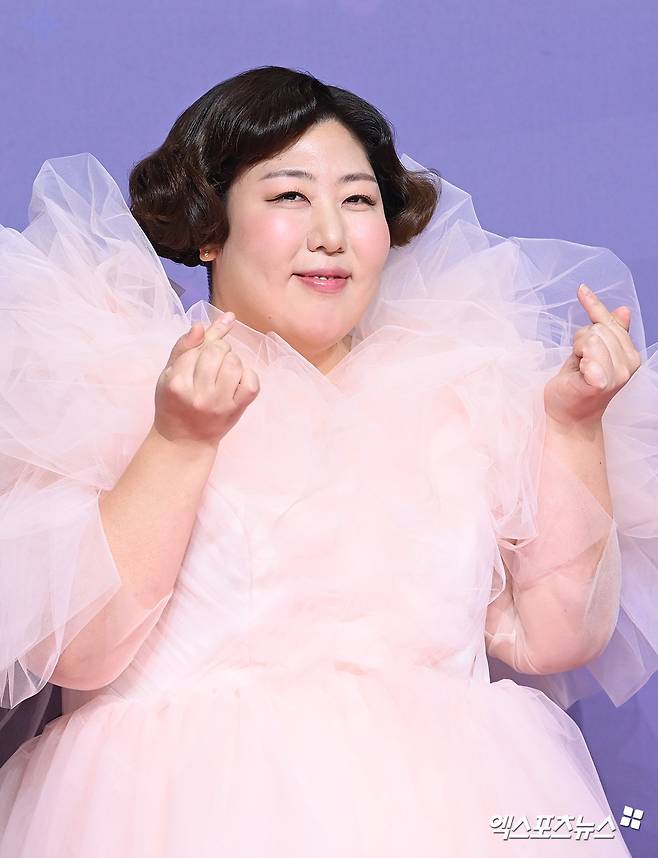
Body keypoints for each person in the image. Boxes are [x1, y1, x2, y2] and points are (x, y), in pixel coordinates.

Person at [0, 64, 656, 856]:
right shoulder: (112, 381)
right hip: (187, 819)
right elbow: (79, 651)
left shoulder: (462, 393)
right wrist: (178, 440)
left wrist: (575, 425)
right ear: (209, 227)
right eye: (288, 196)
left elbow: (554, 638)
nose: (330, 235)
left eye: (358, 200)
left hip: (454, 816)